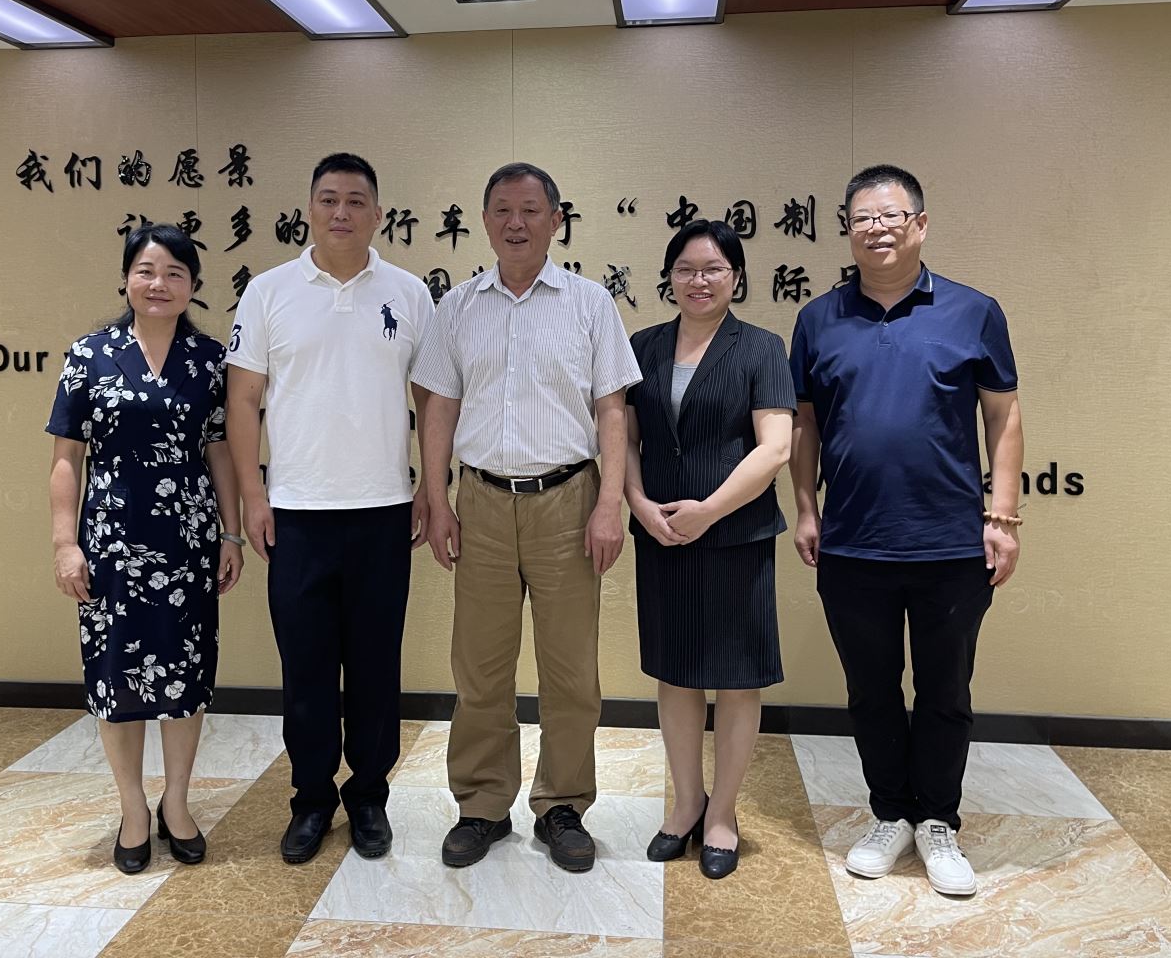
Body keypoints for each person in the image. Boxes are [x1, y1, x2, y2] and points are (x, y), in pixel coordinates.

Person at [788, 164, 1023, 898]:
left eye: (891, 216)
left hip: (950, 542)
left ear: (920, 224)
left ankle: (939, 822)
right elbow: (805, 424)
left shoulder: (973, 311)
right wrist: (806, 506)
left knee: (946, 690)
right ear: (847, 230)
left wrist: (1002, 516)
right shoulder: (818, 319)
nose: (878, 229)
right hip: (853, 541)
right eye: (863, 218)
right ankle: (890, 813)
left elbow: (1003, 415)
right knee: (870, 691)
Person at [413, 162, 642, 874]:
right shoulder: (457, 307)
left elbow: (612, 409)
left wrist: (609, 504)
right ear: (485, 220)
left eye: (531, 210)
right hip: (481, 502)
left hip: (568, 500)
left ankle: (563, 805)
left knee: (571, 668)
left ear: (556, 221)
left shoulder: (589, 303)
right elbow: (439, 407)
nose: (517, 223)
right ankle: (482, 803)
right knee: (479, 666)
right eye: (503, 210)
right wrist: (437, 498)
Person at [225, 153, 433, 865]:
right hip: (297, 512)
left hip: (383, 511)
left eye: (355, 200)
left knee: (375, 666)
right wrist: (254, 496)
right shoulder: (268, 292)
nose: (341, 211)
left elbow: (432, 400)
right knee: (307, 670)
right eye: (328, 198)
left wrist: (431, 491)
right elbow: (243, 401)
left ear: (378, 213)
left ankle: (368, 796)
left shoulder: (409, 294)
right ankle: (311, 799)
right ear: (309, 208)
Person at [46, 223, 243, 875]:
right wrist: (65, 543)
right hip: (110, 546)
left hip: (186, 545)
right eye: (146, 271)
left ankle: (176, 804)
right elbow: (67, 459)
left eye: (174, 274)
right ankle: (133, 809)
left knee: (186, 677)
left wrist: (231, 533)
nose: (159, 284)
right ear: (126, 279)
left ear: (193, 286)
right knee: (116, 680)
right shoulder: (90, 355)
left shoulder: (209, 360)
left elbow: (221, 452)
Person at [623, 220, 795, 880]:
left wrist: (709, 510)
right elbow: (624, 439)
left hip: (734, 537)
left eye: (714, 269)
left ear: (736, 277)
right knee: (675, 672)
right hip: (663, 533)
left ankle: (722, 813)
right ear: (669, 276)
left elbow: (775, 448)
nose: (699, 280)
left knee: (737, 677)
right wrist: (639, 503)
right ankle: (686, 803)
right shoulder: (643, 346)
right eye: (686, 269)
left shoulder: (761, 349)